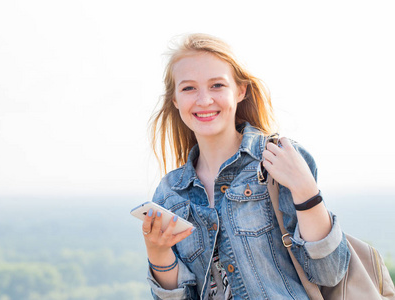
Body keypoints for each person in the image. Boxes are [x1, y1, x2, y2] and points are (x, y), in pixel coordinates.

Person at [142, 33, 350, 300]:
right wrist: (158, 254)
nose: (204, 100)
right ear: (175, 100)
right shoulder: (170, 193)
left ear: (240, 90)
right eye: (188, 88)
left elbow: (329, 273)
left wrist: (306, 191)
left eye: (217, 85)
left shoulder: (280, 159)